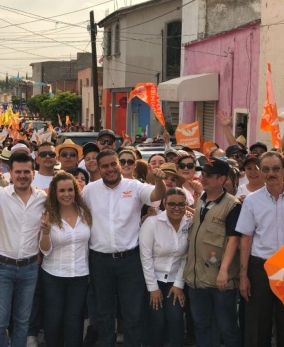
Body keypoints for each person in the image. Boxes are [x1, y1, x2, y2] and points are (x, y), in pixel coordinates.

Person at [83, 149, 166, 346]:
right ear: (99, 168)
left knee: (133, 312)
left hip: (130, 260)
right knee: (103, 312)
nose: (110, 169)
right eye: (105, 166)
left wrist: (159, 180)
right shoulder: (89, 190)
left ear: (119, 164)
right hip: (99, 260)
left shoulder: (135, 186)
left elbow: (156, 195)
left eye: (114, 164)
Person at [236, 151, 284, 347]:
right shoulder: (252, 200)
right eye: (266, 169)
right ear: (260, 172)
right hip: (261, 270)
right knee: (258, 327)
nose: (271, 173)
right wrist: (244, 277)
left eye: (276, 169)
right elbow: (246, 239)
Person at [0, 152, 46, 346]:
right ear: (11, 173)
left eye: (26, 172)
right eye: (18, 172)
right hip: (1, 268)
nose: (22, 175)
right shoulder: (0, 194)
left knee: (22, 322)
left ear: (33, 173)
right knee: (0, 323)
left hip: (29, 268)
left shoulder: (42, 198)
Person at [183, 157, 242, 347]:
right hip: (196, 278)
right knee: (201, 325)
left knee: (227, 327)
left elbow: (234, 239)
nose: (204, 178)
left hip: (220, 280)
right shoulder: (201, 200)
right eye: (203, 174)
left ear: (222, 179)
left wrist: (224, 270)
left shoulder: (232, 205)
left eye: (210, 175)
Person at [39, 171, 92, 346]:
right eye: (62, 191)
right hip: (53, 275)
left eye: (70, 190)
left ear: (76, 191)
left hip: (80, 275)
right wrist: (45, 233)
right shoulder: (48, 215)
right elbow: (45, 251)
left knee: (74, 320)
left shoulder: (85, 213)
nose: (67, 194)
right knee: (53, 320)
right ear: (55, 193)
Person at [139, 187, 191, 347]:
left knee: (176, 319)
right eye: (172, 204)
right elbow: (145, 257)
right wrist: (153, 288)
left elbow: (186, 257)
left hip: (175, 280)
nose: (177, 208)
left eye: (181, 205)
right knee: (157, 320)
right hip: (153, 280)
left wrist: (179, 284)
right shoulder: (152, 223)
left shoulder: (189, 223)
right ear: (164, 204)